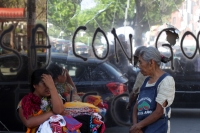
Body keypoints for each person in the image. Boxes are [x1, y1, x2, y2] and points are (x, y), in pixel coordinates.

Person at [130, 47, 175, 133]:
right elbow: (136, 106)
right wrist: (135, 126)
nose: (138, 66)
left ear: (151, 62)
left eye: (140, 62)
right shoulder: (146, 80)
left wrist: (138, 126)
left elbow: (159, 112)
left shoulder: (166, 81)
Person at [126, 46, 147, 123]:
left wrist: (129, 103)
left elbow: (135, 92)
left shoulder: (144, 72)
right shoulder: (156, 70)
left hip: (142, 105)